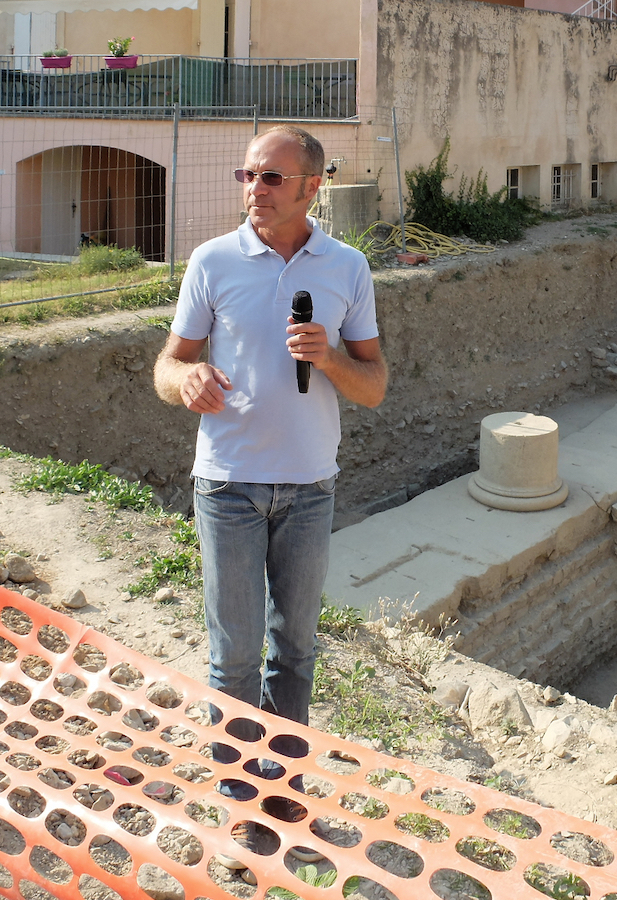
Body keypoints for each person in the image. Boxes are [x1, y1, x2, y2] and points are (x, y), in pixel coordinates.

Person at [153, 125, 387, 732]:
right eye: (249, 174)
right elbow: (167, 365)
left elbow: (373, 386)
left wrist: (328, 358)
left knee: (295, 654)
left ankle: (284, 776)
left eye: (272, 177)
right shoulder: (211, 261)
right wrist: (186, 378)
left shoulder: (348, 267)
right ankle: (236, 778)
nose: (255, 188)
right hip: (228, 486)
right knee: (233, 660)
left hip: (310, 489)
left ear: (311, 187)